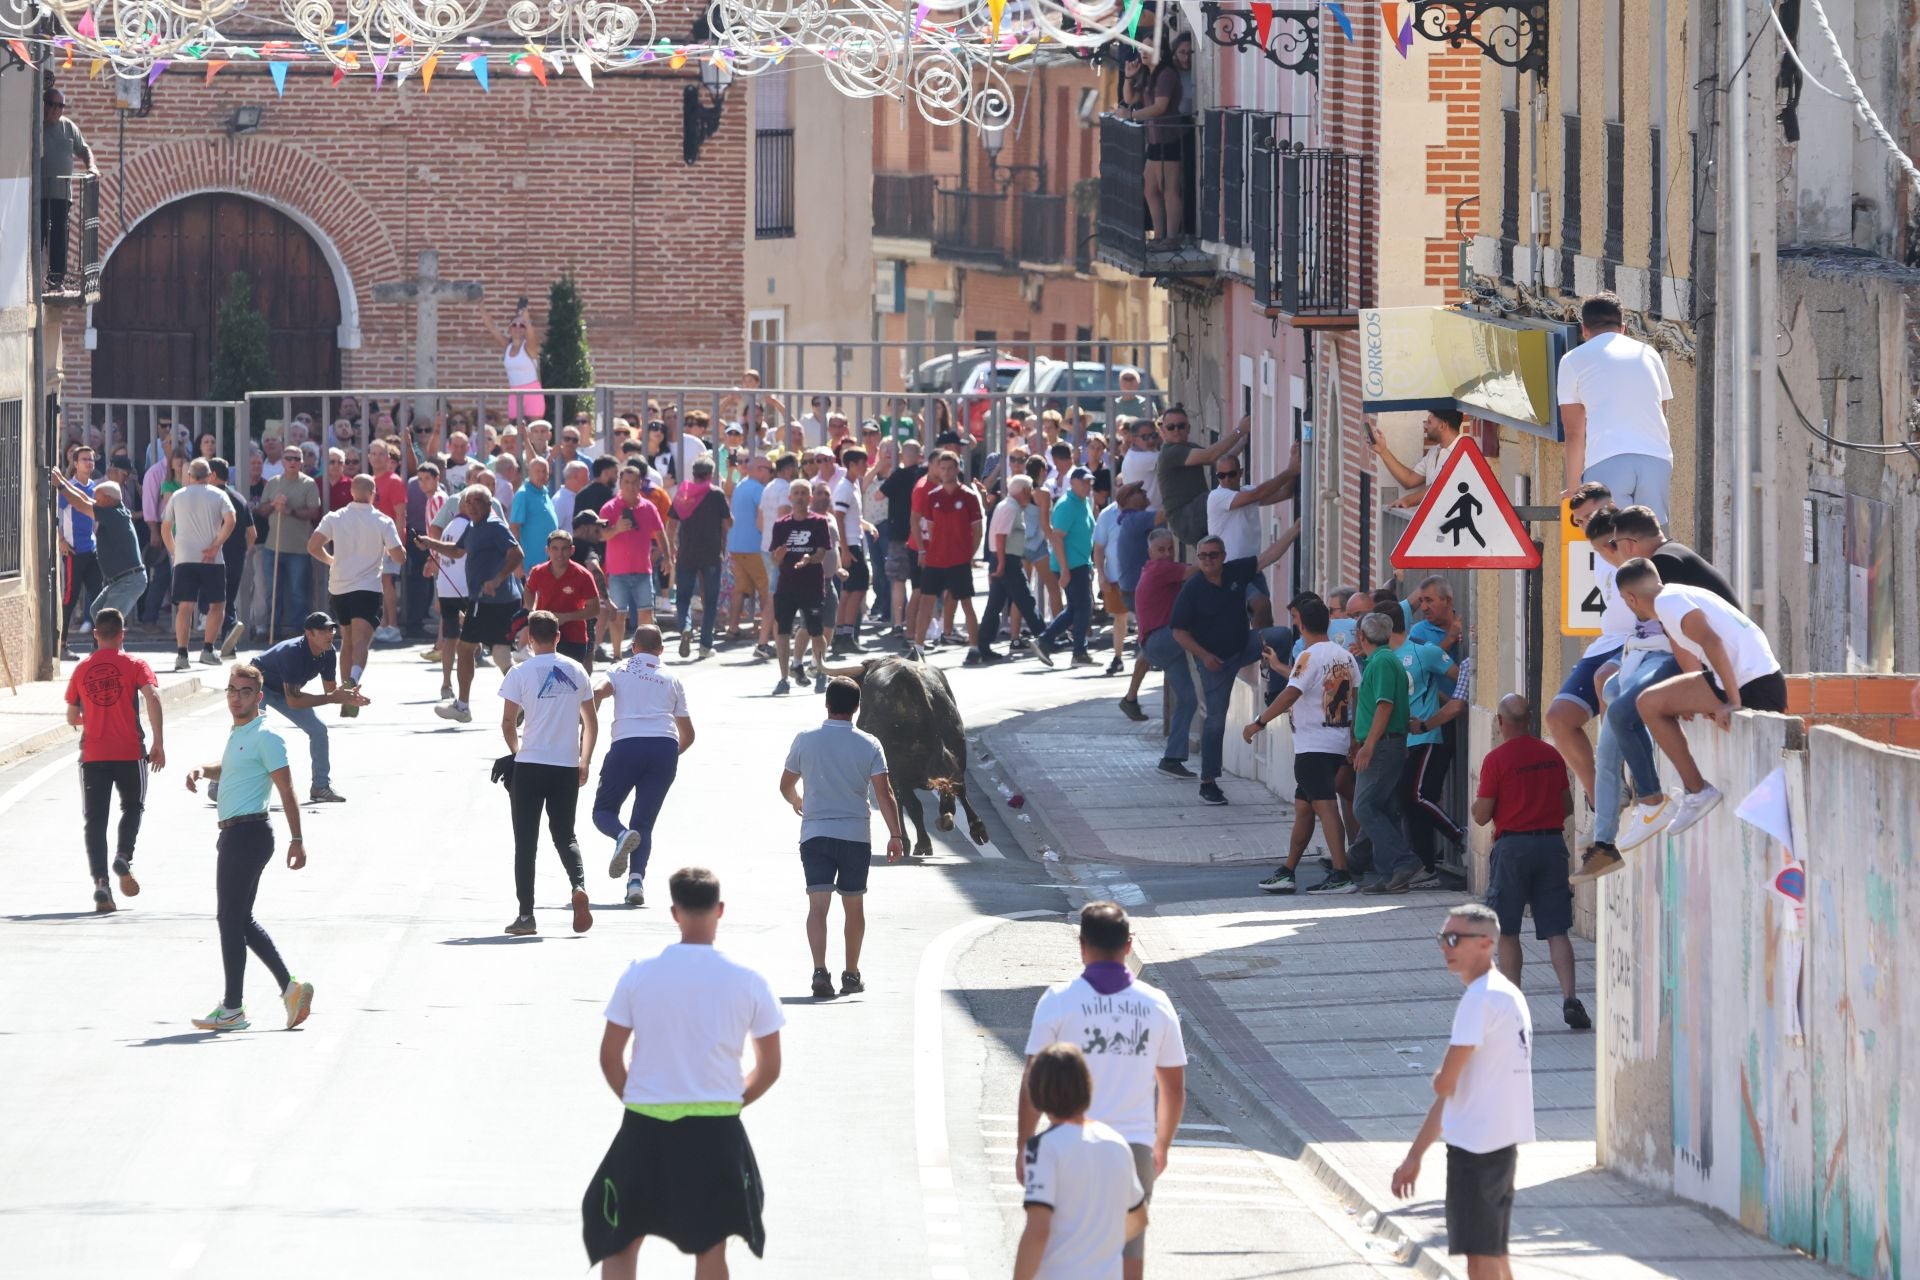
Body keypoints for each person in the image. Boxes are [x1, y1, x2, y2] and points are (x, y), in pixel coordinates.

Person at [582, 868, 782, 1277]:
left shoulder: (639, 974)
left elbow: (609, 1057)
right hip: (716, 1128)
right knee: (711, 1244)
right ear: (719, 910)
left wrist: (640, 1099)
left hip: (645, 1125)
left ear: (675, 912)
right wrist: (730, 1101)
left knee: (621, 1239)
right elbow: (770, 1066)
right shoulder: (748, 981)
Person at [1571, 506, 1740, 880]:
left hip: (1704, 663)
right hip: (1682, 657)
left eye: (1615, 545)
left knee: (1621, 711)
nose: (1614, 554)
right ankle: (1605, 841)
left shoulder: (1664, 566)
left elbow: (1687, 635)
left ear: (1630, 543)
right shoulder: (1667, 559)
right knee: (1611, 702)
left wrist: (1692, 688)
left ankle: (1652, 799)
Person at [1018, 902, 1184, 1280]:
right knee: (1129, 1253)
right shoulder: (1156, 1004)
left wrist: (1023, 1145)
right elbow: (1173, 1090)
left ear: (1082, 945)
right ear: (1128, 945)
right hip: (1133, 1146)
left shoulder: (1058, 1001)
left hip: (1067, 1143)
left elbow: (1031, 1080)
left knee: (1058, 1242)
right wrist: (1161, 1145)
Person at [1391, 904, 1534, 1280]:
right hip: (1499, 1144)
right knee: (1494, 1253)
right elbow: (1456, 1093)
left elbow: (1445, 1084)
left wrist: (1440, 1076)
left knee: (1480, 1258)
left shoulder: (1479, 999)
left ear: (1486, 943)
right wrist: (1415, 1155)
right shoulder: (1506, 994)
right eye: (1442, 938)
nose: (1445, 946)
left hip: (1477, 1149)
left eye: (1454, 939)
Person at [182, 663, 316, 1034]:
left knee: (230, 919)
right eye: (231, 690)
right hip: (236, 834)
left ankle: (232, 1007)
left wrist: (297, 839)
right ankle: (290, 990)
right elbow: (231, 767)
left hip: (249, 834)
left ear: (258, 697)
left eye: (244, 692)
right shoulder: (240, 733)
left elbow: (287, 789)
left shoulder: (266, 736)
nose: (236, 698)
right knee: (239, 919)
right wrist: (201, 769)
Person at [1616, 557, 1786, 837]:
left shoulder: (1668, 603)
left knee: (1647, 704)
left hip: (1753, 684)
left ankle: (1697, 791)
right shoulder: (1677, 594)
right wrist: (1695, 700)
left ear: (1631, 598)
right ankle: (1696, 790)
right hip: (1759, 677)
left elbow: (1712, 642)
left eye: (1624, 600)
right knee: (1653, 701)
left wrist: (1732, 701)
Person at [778, 676, 907, 998]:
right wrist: (896, 835)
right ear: (857, 707)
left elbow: (785, 784)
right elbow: (885, 793)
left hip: (815, 834)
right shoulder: (869, 744)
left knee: (817, 906)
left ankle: (819, 971)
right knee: (854, 906)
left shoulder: (805, 740)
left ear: (827, 704)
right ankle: (851, 974)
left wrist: (797, 801)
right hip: (855, 836)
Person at [1471, 695, 1588, 1030]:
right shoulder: (1551, 755)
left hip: (1512, 849)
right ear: (1531, 719)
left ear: (1500, 722)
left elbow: (1481, 815)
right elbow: (1567, 805)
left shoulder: (1496, 760)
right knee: (1556, 930)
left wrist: (1484, 807)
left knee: (1508, 930)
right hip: (1551, 846)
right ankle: (1570, 998)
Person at [1245, 594, 1360, 895]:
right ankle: (1288, 871)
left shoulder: (1308, 657)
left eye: (1295, 619)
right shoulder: (1344, 656)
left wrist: (1259, 722)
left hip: (1313, 745)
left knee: (1325, 807)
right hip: (1336, 741)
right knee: (1304, 809)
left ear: (1302, 625)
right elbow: (1356, 698)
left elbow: (1290, 694)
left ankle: (1341, 873)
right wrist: (1354, 738)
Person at [498, 611, 598, 937]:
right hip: (566, 765)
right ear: (558, 636)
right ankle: (578, 885)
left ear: (530, 638)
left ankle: (526, 916)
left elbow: (508, 723)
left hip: (530, 765)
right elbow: (591, 723)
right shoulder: (577, 670)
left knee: (526, 842)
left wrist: (517, 752)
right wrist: (584, 760)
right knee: (565, 834)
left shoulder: (519, 672)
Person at [1015, 1042, 1150, 1280]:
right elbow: (1138, 1219)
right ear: (1086, 1086)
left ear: (1037, 1091)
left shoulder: (1043, 1147)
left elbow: (1038, 1230)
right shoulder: (1117, 1144)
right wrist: (1099, 1247)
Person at [65, 608, 165, 913]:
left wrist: (95, 717)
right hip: (129, 752)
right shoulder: (135, 664)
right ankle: (123, 856)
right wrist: (158, 742)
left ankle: (101, 885)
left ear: (96, 634)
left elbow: (72, 716)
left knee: (95, 821)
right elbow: (153, 697)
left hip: (93, 755)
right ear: (122, 634)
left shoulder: (82, 669)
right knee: (133, 807)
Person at [592, 626, 695, 907]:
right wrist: (668, 757)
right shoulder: (672, 678)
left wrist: (586, 729)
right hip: (664, 749)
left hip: (627, 746)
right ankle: (635, 882)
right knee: (644, 823)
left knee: (603, 811)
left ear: (633, 647)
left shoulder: (619, 669)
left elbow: (597, 691)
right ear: (661, 650)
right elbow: (688, 735)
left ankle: (621, 834)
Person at [1544, 483, 1627, 808]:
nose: (1585, 525)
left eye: (1590, 516)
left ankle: (1614, 774)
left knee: (1606, 680)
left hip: (1638, 640)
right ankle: (1600, 798)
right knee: (1558, 717)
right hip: (1607, 642)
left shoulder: (1632, 539)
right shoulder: (1596, 551)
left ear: (1611, 506)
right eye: (1578, 521)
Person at [1557, 291, 1674, 522]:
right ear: (1623, 328)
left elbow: (1574, 432)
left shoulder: (1572, 360)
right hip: (1656, 460)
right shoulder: (1649, 354)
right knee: (1650, 537)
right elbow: (1661, 411)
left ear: (1584, 330)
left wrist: (1574, 490)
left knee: (1610, 536)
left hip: (1607, 458)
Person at [414, 485, 525, 723]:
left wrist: (497, 579)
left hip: (491, 600)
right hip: (492, 600)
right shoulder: (473, 527)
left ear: (489, 504)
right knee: (501, 655)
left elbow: (517, 554)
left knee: (465, 649)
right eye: (468, 502)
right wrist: (430, 542)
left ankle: (462, 706)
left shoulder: (494, 526)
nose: (472, 506)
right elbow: (456, 551)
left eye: (477, 501)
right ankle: (525, 701)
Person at [309, 474, 404, 701]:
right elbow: (399, 557)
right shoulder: (383, 521)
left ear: (351, 492)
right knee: (361, 642)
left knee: (347, 641)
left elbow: (313, 546)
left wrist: (331, 560)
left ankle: (346, 695)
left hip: (339, 588)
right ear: (373, 493)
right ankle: (353, 681)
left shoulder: (335, 517)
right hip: (367, 588)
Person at [254, 612, 363, 803]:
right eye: (323, 631)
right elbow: (295, 701)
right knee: (251, 733)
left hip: (285, 690)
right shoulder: (293, 653)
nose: (330, 634)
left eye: (331, 630)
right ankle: (221, 782)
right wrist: (331, 698)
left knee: (319, 730)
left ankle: (320, 787)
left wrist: (348, 697)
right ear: (309, 633)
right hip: (257, 684)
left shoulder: (328, 652)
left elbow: (330, 691)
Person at [1350, 610, 1414, 890]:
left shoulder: (1382, 662)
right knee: (1382, 807)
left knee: (1363, 807)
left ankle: (1403, 861)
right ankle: (1390, 875)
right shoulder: (1382, 660)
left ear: (1361, 636)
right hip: (1386, 742)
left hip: (1382, 744)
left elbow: (1384, 705)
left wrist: (1369, 745)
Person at [162, 458, 238, 672]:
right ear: (210, 475)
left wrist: (174, 551)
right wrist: (216, 545)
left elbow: (165, 528)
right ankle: (208, 649)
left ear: (189, 476)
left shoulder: (177, 495)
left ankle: (182, 654)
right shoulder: (219, 494)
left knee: (185, 607)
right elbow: (231, 520)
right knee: (217, 605)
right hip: (212, 559)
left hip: (185, 558)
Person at [49, 468, 147, 624]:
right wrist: (63, 480)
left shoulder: (114, 514)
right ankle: (107, 639)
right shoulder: (112, 508)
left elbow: (81, 505)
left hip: (128, 580)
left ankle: (111, 640)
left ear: (108, 499)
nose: (94, 500)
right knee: (97, 611)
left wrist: (60, 486)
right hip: (118, 580)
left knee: (107, 620)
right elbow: (84, 498)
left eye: (98, 498)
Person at [975, 476, 1055, 667]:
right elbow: (1001, 536)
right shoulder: (1010, 508)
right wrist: (1002, 563)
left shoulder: (1008, 506)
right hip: (1006, 561)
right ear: (1024, 491)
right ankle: (1043, 639)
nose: (1031, 494)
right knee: (1027, 601)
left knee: (995, 605)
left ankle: (983, 646)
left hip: (1005, 559)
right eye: (1029, 490)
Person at [599, 465, 675, 659]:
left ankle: (645, 655)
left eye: (634, 482)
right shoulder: (609, 508)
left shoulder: (649, 507)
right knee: (618, 615)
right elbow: (600, 535)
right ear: (620, 484)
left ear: (640, 484)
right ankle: (617, 656)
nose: (631, 486)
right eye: (626, 482)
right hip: (617, 572)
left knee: (646, 614)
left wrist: (667, 558)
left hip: (643, 570)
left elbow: (660, 533)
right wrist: (617, 529)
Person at [769, 479, 835, 696]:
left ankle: (820, 669)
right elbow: (774, 558)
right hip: (786, 587)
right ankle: (783, 679)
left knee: (816, 631)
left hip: (811, 586)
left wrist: (809, 559)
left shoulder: (819, 522)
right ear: (790, 497)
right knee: (783, 632)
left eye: (803, 493)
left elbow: (821, 552)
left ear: (810, 498)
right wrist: (779, 556)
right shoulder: (781, 525)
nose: (799, 497)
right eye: (796, 493)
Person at [915, 449, 983, 657]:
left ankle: (974, 648)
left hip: (959, 560)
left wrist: (968, 556)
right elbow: (931, 528)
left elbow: (977, 532)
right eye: (942, 468)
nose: (945, 472)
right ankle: (918, 648)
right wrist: (927, 551)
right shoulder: (932, 496)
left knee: (966, 603)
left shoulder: (969, 496)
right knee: (925, 602)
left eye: (949, 468)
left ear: (957, 469)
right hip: (935, 560)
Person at [1153, 407, 1246, 548]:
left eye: (1181, 426)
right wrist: (1239, 431)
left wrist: (1242, 442)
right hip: (1186, 518)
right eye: (1171, 427)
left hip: (1196, 514)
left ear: (1188, 428)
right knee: (1222, 496)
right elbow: (1210, 455)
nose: (1176, 430)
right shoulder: (1170, 453)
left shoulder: (1187, 448)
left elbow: (1220, 460)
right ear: (1164, 431)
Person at [256, 446, 322, 642]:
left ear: (301, 462)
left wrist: (289, 511)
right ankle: (272, 630)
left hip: (299, 549)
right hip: (273, 547)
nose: (293, 462)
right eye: (289, 458)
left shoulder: (309, 484)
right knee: (272, 591)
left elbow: (314, 512)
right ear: (283, 461)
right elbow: (262, 511)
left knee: (298, 592)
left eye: (296, 458)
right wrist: (273, 505)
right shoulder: (273, 483)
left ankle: (299, 632)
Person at [668, 458, 732, 658]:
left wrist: (672, 546)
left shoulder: (683, 493)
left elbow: (671, 522)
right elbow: (727, 523)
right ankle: (705, 645)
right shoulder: (716, 494)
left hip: (686, 553)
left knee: (683, 598)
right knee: (710, 601)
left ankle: (686, 628)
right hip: (711, 554)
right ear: (711, 474)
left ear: (693, 473)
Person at [1035, 467, 1099, 665]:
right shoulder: (1066, 505)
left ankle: (1046, 641)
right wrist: (1064, 569)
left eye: (1089, 482)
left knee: (1076, 608)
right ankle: (1077, 651)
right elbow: (1057, 538)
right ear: (1072, 483)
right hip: (1071, 564)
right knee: (1083, 607)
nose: (1087, 486)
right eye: (1083, 482)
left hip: (1080, 562)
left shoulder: (1083, 502)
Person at [40, 89, 93, 289]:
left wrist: (92, 167)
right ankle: (29, 281)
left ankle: (56, 281)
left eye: (60, 105)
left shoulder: (68, 127)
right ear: (43, 104)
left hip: (61, 196)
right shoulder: (34, 126)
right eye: (51, 104)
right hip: (37, 196)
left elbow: (84, 149)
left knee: (59, 239)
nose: (55, 109)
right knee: (37, 239)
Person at [525, 530, 601, 667]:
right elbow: (529, 590)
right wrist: (530, 610)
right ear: (547, 550)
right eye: (555, 548)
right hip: (544, 635)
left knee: (570, 677)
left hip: (574, 636)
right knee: (544, 674)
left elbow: (595, 609)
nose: (560, 554)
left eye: (564, 548)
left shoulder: (583, 575)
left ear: (572, 550)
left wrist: (566, 617)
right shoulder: (538, 572)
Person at [56, 443, 102, 658]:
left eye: (91, 459)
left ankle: (98, 645)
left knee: (98, 598)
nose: (89, 462)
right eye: (84, 459)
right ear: (75, 463)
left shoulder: (96, 488)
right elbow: (56, 516)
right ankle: (62, 644)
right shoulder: (67, 488)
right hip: (74, 551)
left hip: (92, 550)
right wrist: (61, 540)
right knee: (70, 599)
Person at [1370, 408, 1466, 510]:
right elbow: (1409, 480)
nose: (1425, 426)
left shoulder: (1464, 454)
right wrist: (1383, 450)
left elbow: (1439, 488)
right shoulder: (1434, 452)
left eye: (1429, 422)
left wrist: (1407, 501)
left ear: (1442, 426)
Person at [207, 459, 256, 656]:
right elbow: (252, 533)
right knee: (227, 599)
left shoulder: (211, 498)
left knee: (212, 600)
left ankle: (231, 624)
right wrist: (243, 552)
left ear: (212, 475)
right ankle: (229, 643)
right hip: (236, 557)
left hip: (213, 557)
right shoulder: (239, 498)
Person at [828, 447, 873, 655]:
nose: (866, 467)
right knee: (856, 589)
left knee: (850, 591)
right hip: (850, 545)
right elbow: (839, 517)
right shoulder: (845, 487)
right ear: (852, 465)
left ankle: (842, 635)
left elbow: (853, 517)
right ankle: (846, 635)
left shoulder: (853, 485)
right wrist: (844, 550)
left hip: (854, 542)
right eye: (863, 463)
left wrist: (867, 525)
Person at [726, 454, 770, 643]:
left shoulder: (741, 486)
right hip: (754, 546)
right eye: (769, 470)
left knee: (740, 588)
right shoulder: (759, 490)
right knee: (767, 588)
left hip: (736, 545)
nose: (770, 474)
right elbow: (763, 518)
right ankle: (767, 629)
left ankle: (733, 627)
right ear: (759, 470)